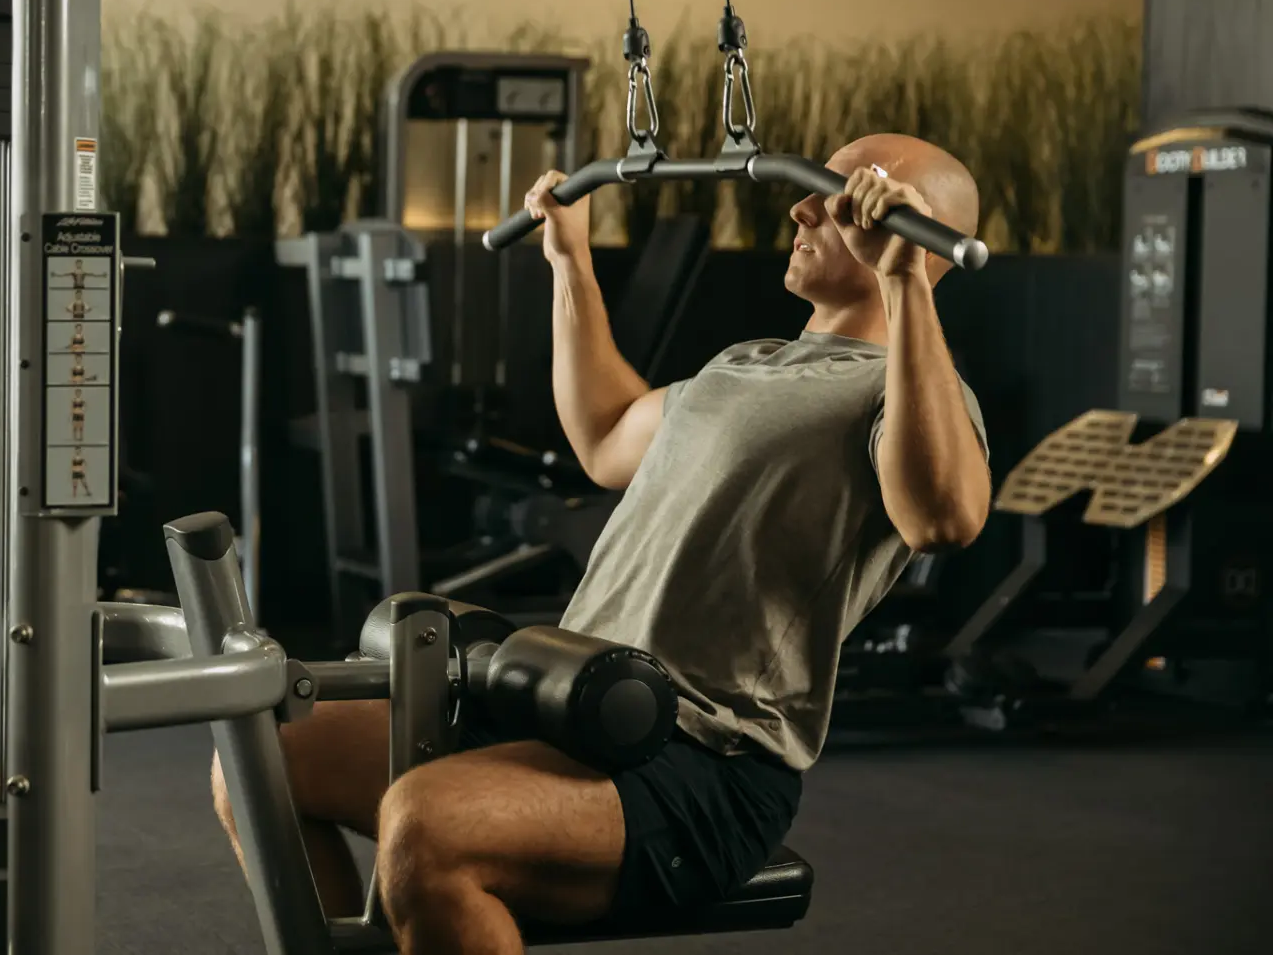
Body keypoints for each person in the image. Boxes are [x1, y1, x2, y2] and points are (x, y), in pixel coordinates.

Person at [209, 133, 993, 955]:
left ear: (910, 222)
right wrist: (569, 260)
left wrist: (904, 278)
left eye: (832, 193)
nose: (800, 206)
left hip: (701, 757)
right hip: (576, 699)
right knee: (262, 758)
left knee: (428, 822)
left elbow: (943, 516)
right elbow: (607, 434)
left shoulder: (913, 390)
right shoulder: (746, 362)